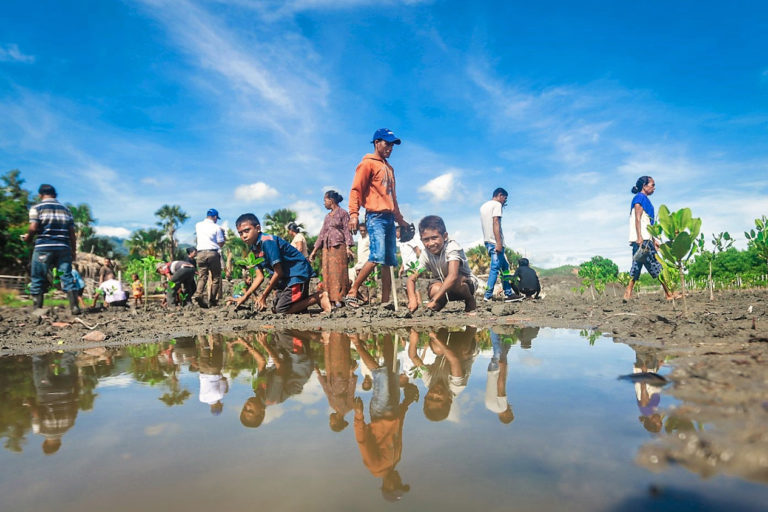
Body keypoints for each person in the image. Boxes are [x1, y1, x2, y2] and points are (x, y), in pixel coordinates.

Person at [346, 128, 410, 307]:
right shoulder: (367, 164)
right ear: (377, 143)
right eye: (387, 143)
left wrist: (401, 220)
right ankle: (353, 291)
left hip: (389, 218)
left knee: (389, 261)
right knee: (378, 255)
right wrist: (353, 215)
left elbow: (392, 198)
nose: (391, 147)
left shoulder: (389, 168)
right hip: (375, 217)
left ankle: (385, 302)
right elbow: (356, 190)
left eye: (393, 144)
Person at [351, 333, 418, 502]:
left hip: (380, 413)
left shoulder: (377, 468)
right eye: (400, 482)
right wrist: (406, 403)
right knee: (392, 367)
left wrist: (359, 416)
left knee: (381, 375)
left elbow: (362, 442)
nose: (399, 479)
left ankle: (356, 343)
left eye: (397, 484)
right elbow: (398, 428)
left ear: (387, 486)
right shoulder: (395, 460)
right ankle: (388, 333)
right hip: (394, 408)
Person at [233, 213, 331, 314]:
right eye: (240, 233)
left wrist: (264, 296)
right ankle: (304, 303)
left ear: (258, 228)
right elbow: (259, 277)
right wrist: (244, 297)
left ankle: (319, 296)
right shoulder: (254, 248)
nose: (244, 236)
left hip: (296, 274)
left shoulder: (267, 242)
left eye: (247, 231)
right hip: (285, 279)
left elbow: (278, 272)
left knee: (281, 310)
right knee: (276, 309)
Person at [22, 184, 80, 314]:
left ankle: (37, 309)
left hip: (44, 247)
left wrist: (28, 238)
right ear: (55, 194)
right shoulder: (66, 210)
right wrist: (73, 251)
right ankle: (74, 307)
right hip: (63, 248)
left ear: (40, 195)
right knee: (67, 276)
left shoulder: (37, 208)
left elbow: (33, 227)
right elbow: (72, 234)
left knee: (38, 276)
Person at [406, 215, 479, 313]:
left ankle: (470, 300)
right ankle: (438, 305)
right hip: (443, 287)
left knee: (456, 281)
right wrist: (412, 299)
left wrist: (434, 300)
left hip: (464, 285)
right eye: (426, 240)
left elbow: (453, 276)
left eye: (434, 238)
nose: (431, 243)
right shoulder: (426, 254)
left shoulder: (452, 247)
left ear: (445, 236)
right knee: (435, 288)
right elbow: (412, 278)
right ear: (421, 240)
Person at [623, 176, 679, 301]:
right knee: (657, 266)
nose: (654, 188)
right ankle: (669, 294)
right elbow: (637, 219)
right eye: (652, 185)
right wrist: (639, 237)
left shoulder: (644, 199)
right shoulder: (639, 198)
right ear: (644, 186)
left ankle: (627, 293)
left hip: (646, 239)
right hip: (643, 240)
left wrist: (654, 240)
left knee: (637, 266)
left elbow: (647, 223)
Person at [309, 190, 355, 308]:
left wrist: (348, 247)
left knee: (339, 274)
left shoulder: (343, 213)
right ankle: (331, 300)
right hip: (327, 248)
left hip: (339, 247)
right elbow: (322, 234)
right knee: (328, 273)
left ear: (331, 200)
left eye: (325, 200)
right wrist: (314, 251)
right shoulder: (327, 217)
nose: (324, 203)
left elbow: (346, 230)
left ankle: (340, 298)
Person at [480, 187, 520, 302]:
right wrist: (499, 243)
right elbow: (496, 222)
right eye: (504, 199)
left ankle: (508, 293)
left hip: (488, 241)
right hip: (495, 242)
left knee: (505, 267)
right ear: (500, 195)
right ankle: (487, 295)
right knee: (495, 268)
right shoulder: (496, 205)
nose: (504, 202)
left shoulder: (483, 206)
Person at [193, 208, 226, 307]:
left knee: (202, 276)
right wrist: (223, 235)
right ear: (215, 217)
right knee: (216, 277)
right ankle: (212, 300)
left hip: (200, 253)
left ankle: (199, 294)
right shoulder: (217, 228)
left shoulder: (198, 225)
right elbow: (220, 243)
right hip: (212, 253)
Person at [485, 330, 515, 425]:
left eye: (511, 411)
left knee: (498, 349)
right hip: (491, 372)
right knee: (497, 348)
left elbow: (501, 385)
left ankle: (493, 327)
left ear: (506, 415)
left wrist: (503, 367)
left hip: (497, 372)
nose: (510, 408)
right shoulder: (489, 407)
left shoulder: (502, 407)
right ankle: (495, 328)